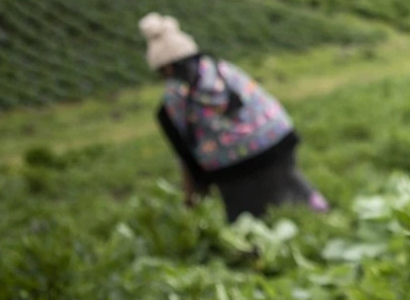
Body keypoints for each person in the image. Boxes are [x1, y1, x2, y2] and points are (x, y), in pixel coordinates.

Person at [140, 13, 328, 222]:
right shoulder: (222, 68)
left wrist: (192, 197)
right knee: (290, 185)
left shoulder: (173, 99)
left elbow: (185, 153)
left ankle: (256, 242)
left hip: (232, 164)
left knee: (244, 215)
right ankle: (319, 211)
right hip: (279, 138)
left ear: (166, 68)